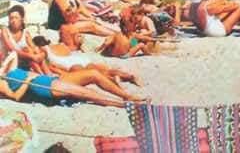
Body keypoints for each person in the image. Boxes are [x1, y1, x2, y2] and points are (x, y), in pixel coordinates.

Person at [0, 52, 141, 107]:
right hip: (43, 86)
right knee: (87, 93)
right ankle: (125, 105)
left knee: (94, 74)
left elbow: (13, 55)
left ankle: (127, 96)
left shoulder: (6, 72)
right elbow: (15, 96)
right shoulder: (1, 81)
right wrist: (28, 80)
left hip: (50, 79)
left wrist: (3, 67)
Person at [1, 5, 49, 74]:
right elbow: (11, 50)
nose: (13, 21)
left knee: (30, 50)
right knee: (28, 51)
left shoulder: (25, 33)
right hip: (9, 63)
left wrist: (40, 54)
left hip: (22, 62)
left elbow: (34, 48)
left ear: (22, 19)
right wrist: (32, 56)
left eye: (16, 18)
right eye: (11, 18)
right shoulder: (5, 31)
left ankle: (47, 73)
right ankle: (43, 75)